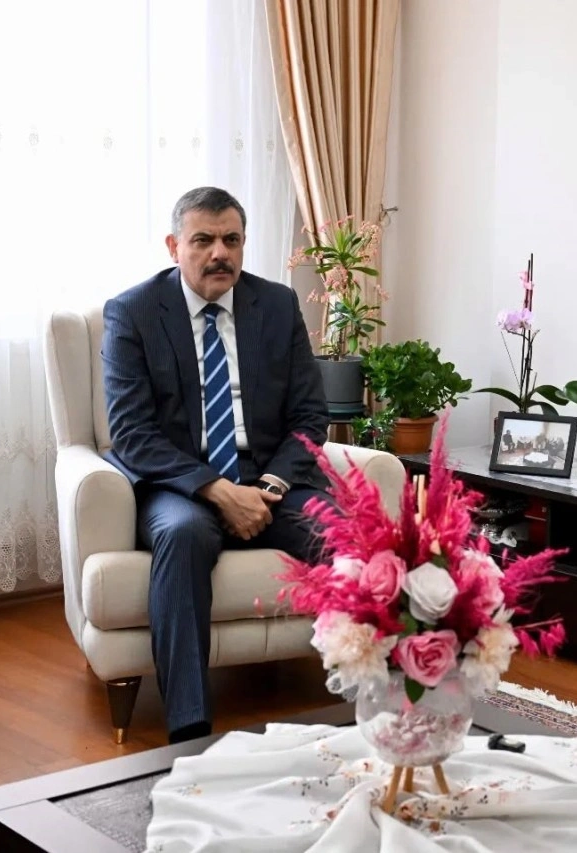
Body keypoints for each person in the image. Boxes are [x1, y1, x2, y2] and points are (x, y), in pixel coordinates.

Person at [102, 187, 331, 743]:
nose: (219, 253)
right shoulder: (133, 312)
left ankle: (383, 699)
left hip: (269, 477)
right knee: (181, 536)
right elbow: (131, 433)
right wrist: (218, 491)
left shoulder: (277, 305)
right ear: (173, 246)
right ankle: (190, 732)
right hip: (180, 485)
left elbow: (309, 417)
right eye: (202, 240)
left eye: (231, 240)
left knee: (345, 530)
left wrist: (268, 486)